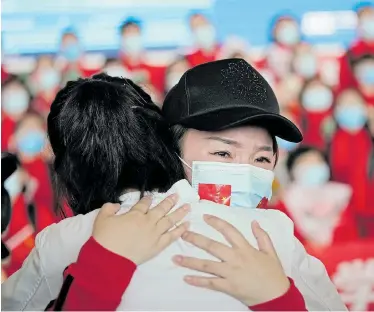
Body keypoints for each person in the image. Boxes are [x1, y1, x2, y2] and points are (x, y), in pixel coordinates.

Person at [2, 61, 345, 310]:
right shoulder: (77, 238)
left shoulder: (273, 235)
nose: (243, 171)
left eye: (261, 160)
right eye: (223, 152)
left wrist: (278, 298)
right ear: (170, 148)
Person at [274, 146, 358, 254]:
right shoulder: (287, 200)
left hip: (341, 254)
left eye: (318, 161)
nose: (314, 166)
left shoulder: (341, 195)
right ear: (293, 169)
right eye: (306, 162)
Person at [329, 88, 374, 237]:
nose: (351, 108)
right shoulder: (332, 141)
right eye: (345, 104)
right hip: (344, 212)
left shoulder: (369, 137)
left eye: (355, 103)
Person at [118, 17, 166, 94]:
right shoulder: (115, 68)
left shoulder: (156, 67)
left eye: (135, 33)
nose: (132, 37)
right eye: (128, 33)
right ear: (122, 38)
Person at [338, 2, 374, 91]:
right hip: (360, 101)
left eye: (372, 18)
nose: (370, 22)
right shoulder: (350, 54)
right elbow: (345, 88)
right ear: (358, 24)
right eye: (365, 19)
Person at [298, 77, 335, 149]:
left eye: (320, 88)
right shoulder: (299, 117)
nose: (316, 92)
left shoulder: (334, 117)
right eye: (312, 88)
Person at [1, 76, 31, 151]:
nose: (15, 97)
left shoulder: (34, 121)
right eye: (11, 92)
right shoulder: (3, 125)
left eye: (18, 90)